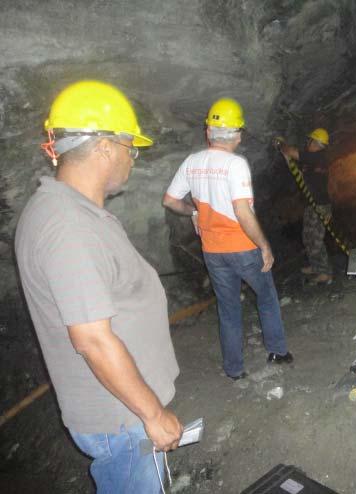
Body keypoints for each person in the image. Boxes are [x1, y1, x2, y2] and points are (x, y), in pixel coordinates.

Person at [15, 80, 183, 492]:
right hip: (121, 419)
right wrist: (153, 414)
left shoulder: (76, 212)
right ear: (106, 147)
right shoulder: (66, 226)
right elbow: (92, 339)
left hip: (125, 413)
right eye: (131, 147)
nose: (133, 158)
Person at [163, 98, 293, 380]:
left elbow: (171, 200)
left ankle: (234, 369)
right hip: (243, 248)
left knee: (229, 308)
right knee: (267, 298)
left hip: (212, 251)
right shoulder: (235, 164)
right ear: (237, 134)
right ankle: (277, 351)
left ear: (209, 132)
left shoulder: (192, 162)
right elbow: (242, 211)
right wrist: (264, 246)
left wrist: (194, 211)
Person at [276, 128, 333, 284]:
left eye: (310, 141)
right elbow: (301, 174)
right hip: (312, 204)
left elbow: (294, 152)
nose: (307, 143)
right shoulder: (313, 161)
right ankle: (316, 265)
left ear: (315, 142)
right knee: (308, 237)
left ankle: (324, 272)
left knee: (315, 239)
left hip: (320, 206)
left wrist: (281, 145)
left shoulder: (318, 157)